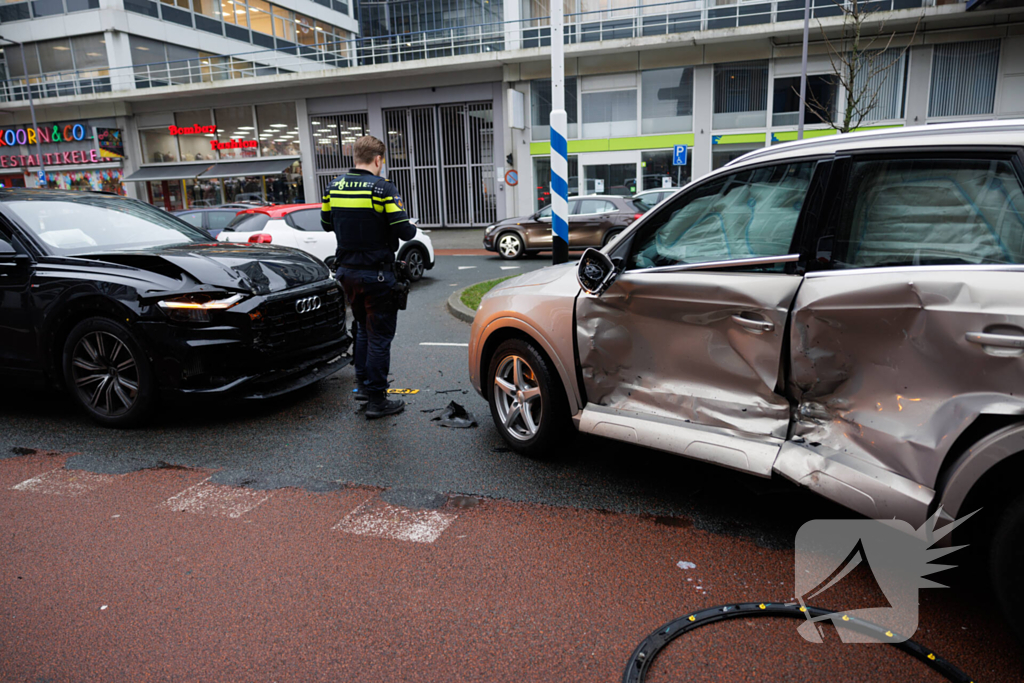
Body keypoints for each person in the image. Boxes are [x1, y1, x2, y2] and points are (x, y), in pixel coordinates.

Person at [321, 135, 415, 419]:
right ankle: (377, 400)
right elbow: (406, 232)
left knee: (361, 327)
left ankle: (362, 386)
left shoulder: (333, 187)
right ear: (378, 160)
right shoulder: (382, 189)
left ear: (354, 158)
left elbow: (326, 225)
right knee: (379, 337)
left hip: (347, 273)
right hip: (376, 275)